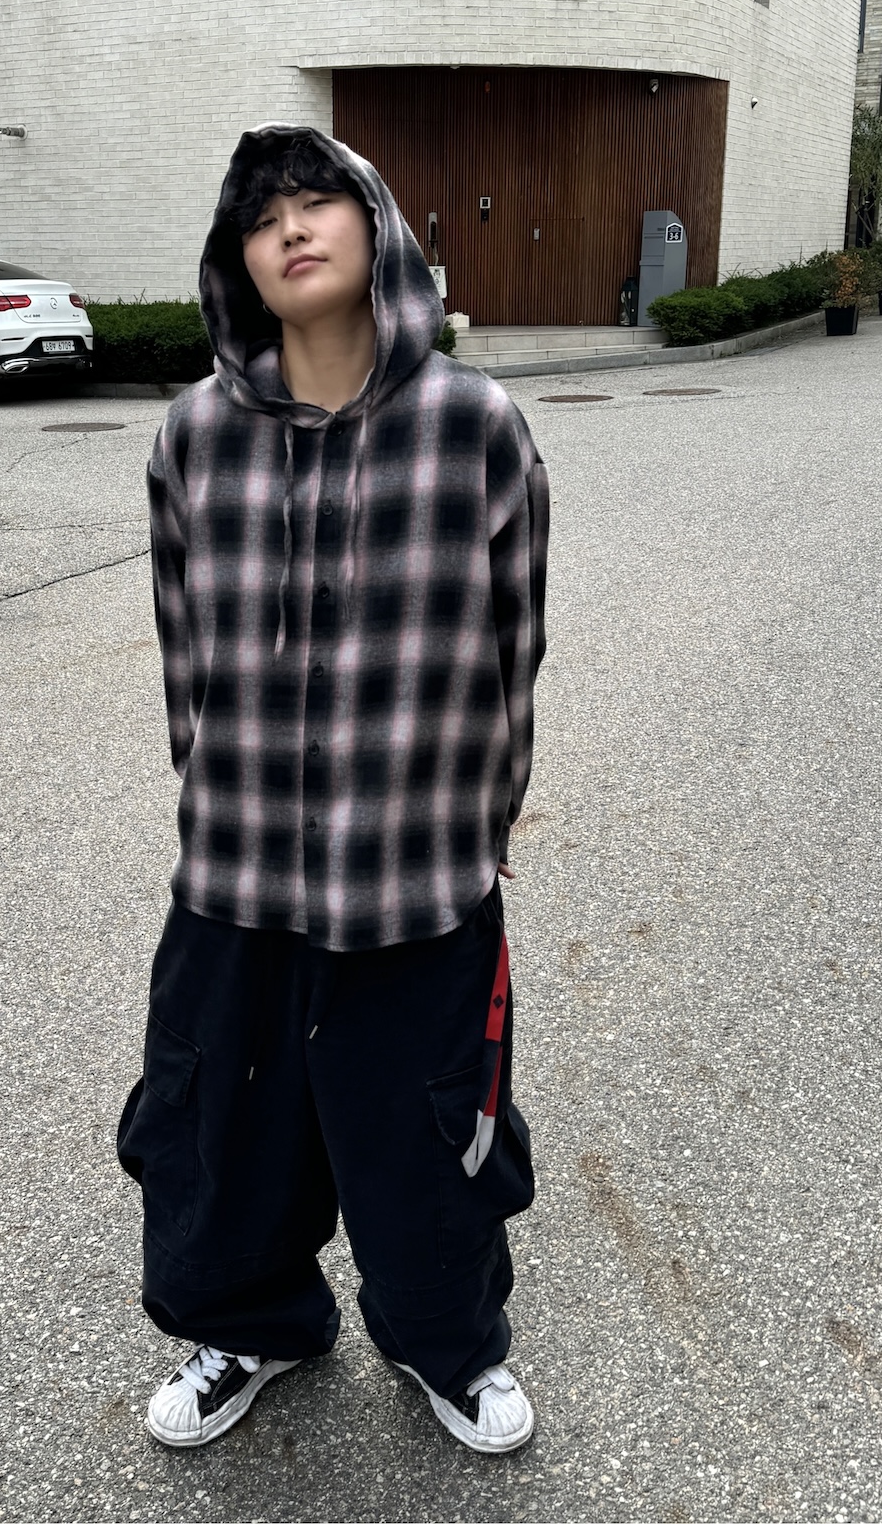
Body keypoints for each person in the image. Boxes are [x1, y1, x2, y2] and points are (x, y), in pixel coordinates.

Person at [117, 123, 549, 1455]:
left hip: (416, 875)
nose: (291, 230)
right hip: (237, 872)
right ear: (236, 262)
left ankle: (446, 1345)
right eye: (262, 220)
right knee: (221, 1125)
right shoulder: (194, 438)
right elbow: (185, 654)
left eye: (317, 202)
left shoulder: (474, 425)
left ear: (377, 227)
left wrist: (481, 825)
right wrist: (216, 806)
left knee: (432, 1136)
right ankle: (249, 1326)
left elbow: (514, 648)